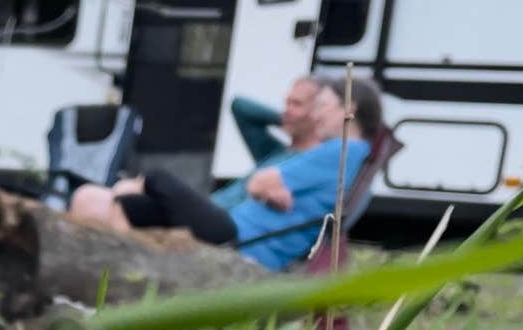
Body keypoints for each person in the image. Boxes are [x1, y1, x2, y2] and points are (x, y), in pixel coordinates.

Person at [71, 75, 383, 271]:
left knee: (157, 179)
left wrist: (269, 186)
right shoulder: (345, 154)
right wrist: (270, 186)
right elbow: (266, 180)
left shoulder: (343, 150)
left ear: (349, 110)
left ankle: (131, 271)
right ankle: (126, 271)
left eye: (323, 106)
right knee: (132, 205)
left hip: (240, 239)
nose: (317, 114)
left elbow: (262, 181)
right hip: (236, 230)